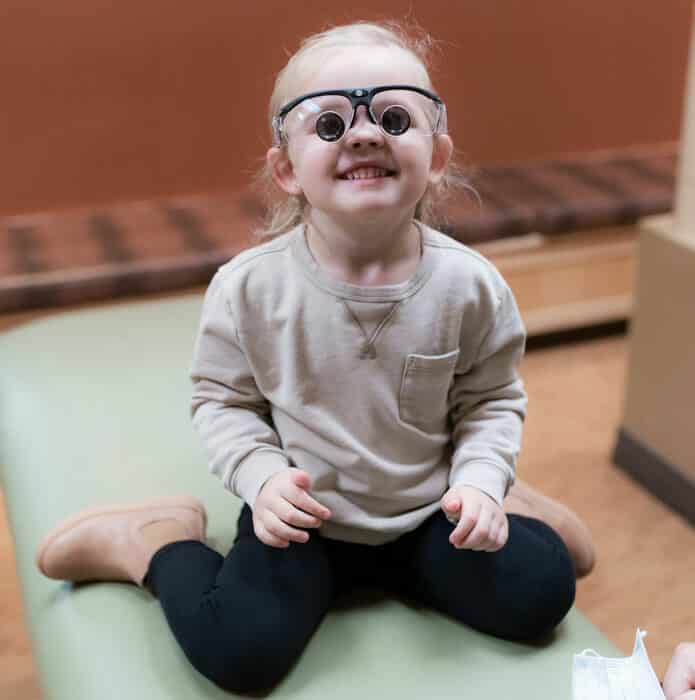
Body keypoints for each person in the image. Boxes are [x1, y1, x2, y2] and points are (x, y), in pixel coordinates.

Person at [36, 21, 595, 693]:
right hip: (306, 521)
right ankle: (155, 538)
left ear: (437, 155)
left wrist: (478, 479)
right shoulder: (249, 288)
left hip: (426, 513)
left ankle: (509, 500)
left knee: (541, 596)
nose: (363, 134)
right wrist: (263, 478)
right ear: (286, 169)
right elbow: (223, 403)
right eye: (328, 124)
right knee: (237, 653)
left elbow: (491, 400)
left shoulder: (469, 286)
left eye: (392, 116)